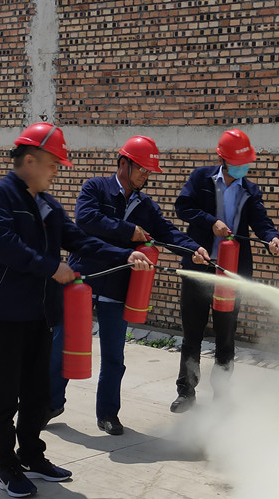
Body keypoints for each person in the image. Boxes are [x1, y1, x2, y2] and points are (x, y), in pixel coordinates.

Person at [0, 122, 153, 498]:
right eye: (53, 163)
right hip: (1, 316)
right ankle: (7, 468)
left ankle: (31, 456)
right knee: (5, 398)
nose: (56, 171)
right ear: (29, 160)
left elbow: (79, 239)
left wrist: (125, 255)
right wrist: (51, 267)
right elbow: (3, 244)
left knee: (38, 394)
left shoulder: (47, 205)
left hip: (39, 315)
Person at [47, 135, 210, 435]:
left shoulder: (147, 206)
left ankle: (108, 414)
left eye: (149, 171)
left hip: (117, 288)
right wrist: (128, 231)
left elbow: (168, 233)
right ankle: (51, 403)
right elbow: (87, 219)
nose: (146, 175)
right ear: (124, 163)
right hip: (83, 280)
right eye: (142, 169)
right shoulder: (95, 188)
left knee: (114, 357)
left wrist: (193, 249)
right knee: (63, 345)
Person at [171, 128, 279, 413]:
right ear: (223, 159)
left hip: (232, 273)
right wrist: (211, 222)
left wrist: (272, 237)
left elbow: (261, 221)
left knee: (226, 338)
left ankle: (221, 397)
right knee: (192, 336)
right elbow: (183, 207)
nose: (243, 167)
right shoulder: (201, 179)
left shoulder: (249, 189)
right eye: (238, 162)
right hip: (200, 266)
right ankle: (186, 393)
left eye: (246, 162)